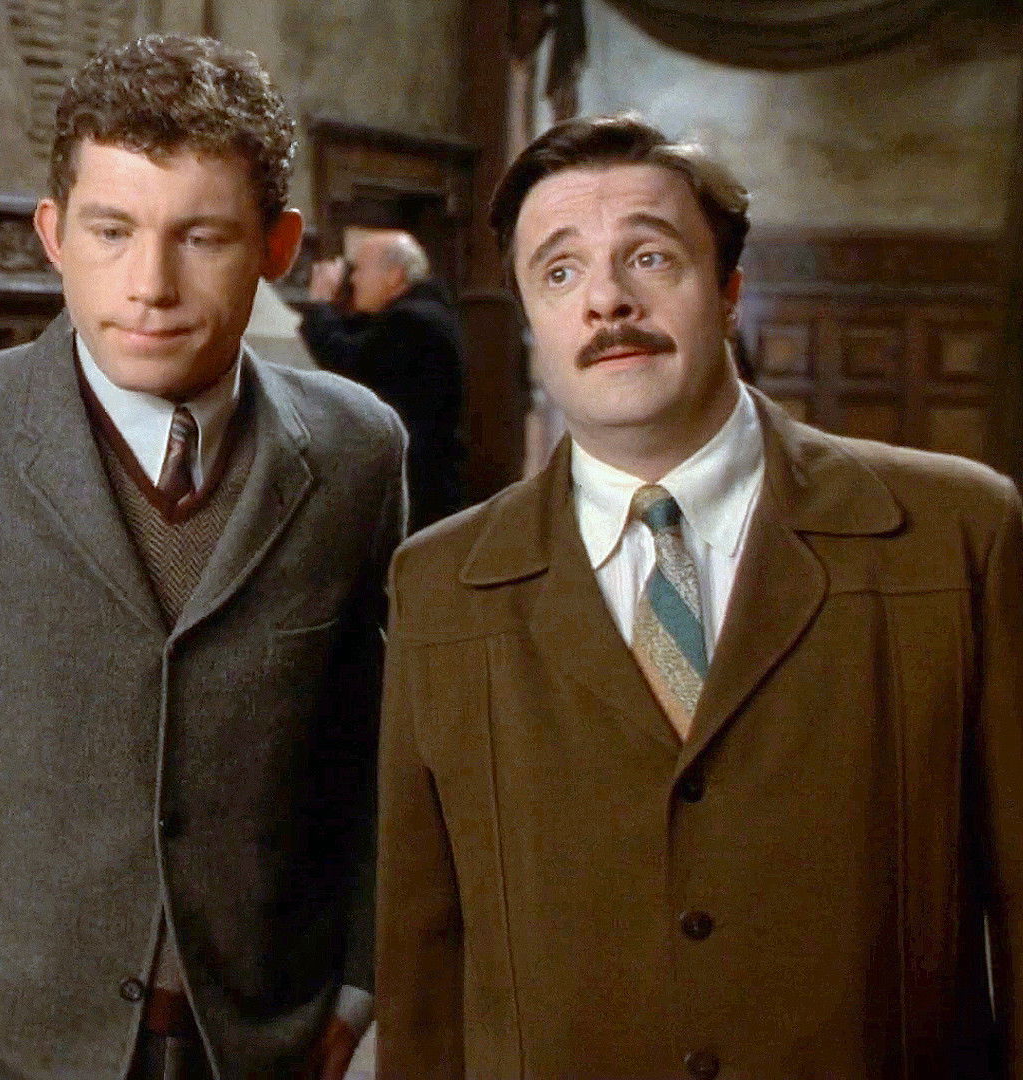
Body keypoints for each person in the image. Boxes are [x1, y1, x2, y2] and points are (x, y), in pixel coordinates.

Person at [0, 34, 405, 1080]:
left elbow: (373, 745)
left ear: (278, 247)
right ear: (54, 234)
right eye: (112, 231)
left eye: (201, 237)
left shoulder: (356, 447)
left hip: (261, 1036)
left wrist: (357, 979)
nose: (149, 284)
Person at [374, 115, 1023, 1078]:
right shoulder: (439, 585)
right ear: (531, 323)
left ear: (728, 293)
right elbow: (421, 967)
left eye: (650, 258)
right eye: (560, 272)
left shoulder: (956, 533)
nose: (607, 300)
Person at [301, 227, 466, 529]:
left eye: (359, 270)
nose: (352, 280)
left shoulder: (413, 321)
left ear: (394, 276)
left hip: (418, 490)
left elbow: (346, 360)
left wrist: (320, 304)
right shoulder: (418, 312)